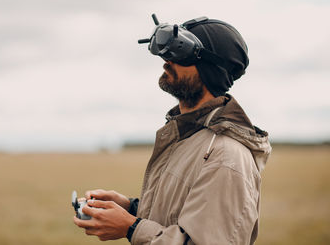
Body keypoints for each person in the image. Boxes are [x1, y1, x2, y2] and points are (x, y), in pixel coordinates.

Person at [73, 17, 271, 245]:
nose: (166, 61)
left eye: (180, 52)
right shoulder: (189, 138)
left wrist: (131, 228)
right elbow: (186, 216)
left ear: (211, 70)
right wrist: (132, 208)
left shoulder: (225, 155)